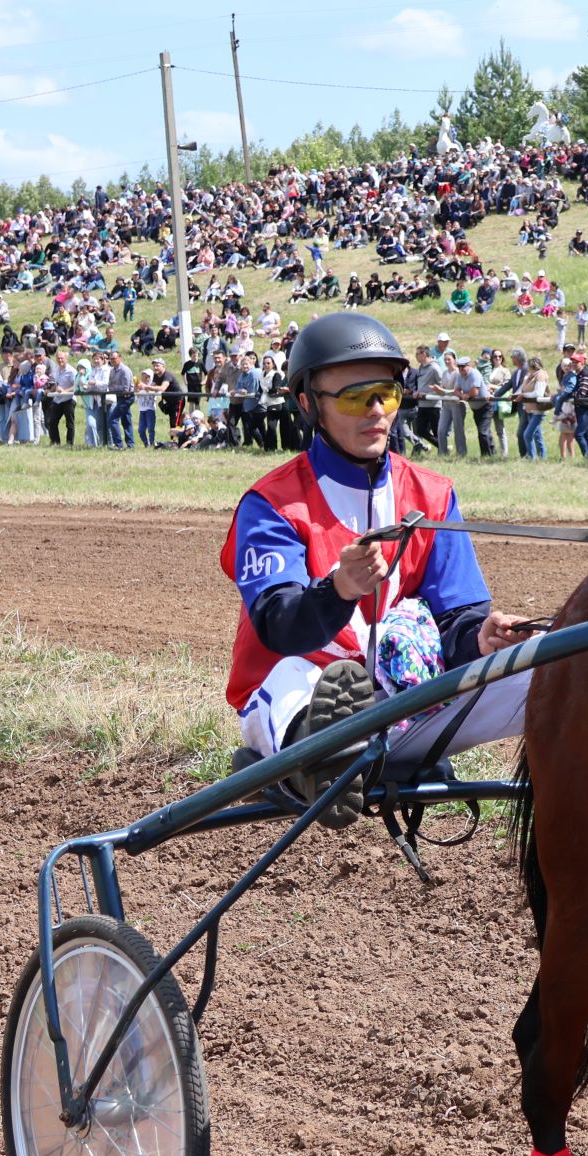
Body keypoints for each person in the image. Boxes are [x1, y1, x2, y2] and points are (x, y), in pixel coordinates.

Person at [219, 312, 531, 826]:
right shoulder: (272, 503)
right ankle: (320, 755)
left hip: (403, 702)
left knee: (553, 670)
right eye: (353, 398)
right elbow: (279, 627)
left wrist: (482, 637)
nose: (375, 413)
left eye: (385, 395)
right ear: (307, 404)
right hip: (287, 698)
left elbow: (457, 622)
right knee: (297, 675)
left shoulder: (432, 494)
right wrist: (339, 588)